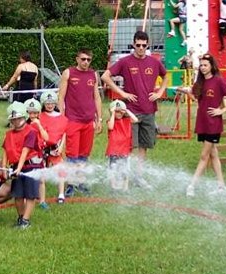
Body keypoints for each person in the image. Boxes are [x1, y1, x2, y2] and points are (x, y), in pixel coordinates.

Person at [101, 31, 167, 188]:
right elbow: (105, 76)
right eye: (138, 45)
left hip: (149, 110)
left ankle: (139, 177)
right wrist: (122, 93)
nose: (141, 48)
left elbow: (165, 76)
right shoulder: (125, 62)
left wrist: (159, 93)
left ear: (147, 45)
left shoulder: (154, 62)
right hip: (131, 111)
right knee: (128, 145)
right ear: (133, 44)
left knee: (144, 146)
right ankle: (123, 177)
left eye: (144, 45)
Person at [184, 54, 226, 197]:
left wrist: (222, 110)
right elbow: (195, 97)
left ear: (211, 66)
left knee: (204, 156)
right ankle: (221, 186)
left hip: (213, 124)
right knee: (213, 154)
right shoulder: (199, 82)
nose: (203, 67)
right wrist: (185, 91)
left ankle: (192, 185)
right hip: (203, 122)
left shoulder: (218, 81)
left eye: (205, 65)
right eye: (201, 65)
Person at [57, 47, 103, 197]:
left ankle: (81, 182)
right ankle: (70, 185)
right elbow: (61, 97)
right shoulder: (68, 73)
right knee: (72, 155)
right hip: (72, 120)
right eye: (83, 59)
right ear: (77, 59)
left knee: (84, 155)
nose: (86, 62)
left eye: (89, 60)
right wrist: (62, 118)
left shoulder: (93, 75)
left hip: (88, 121)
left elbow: (97, 97)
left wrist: (99, 118)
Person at [1, 102, 44, 229]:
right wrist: (4, 168)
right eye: (13, 119)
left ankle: (26, 220)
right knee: (18, 195)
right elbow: (5, 151)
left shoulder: (30, 131)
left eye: (18, 118)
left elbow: (25, 151)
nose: (16, 121)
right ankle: (20, 217)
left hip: (31, 167)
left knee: (30, 195)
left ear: (24, 117)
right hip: (16, 168)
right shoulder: (9, 134)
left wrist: (19, 169)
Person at [38, 91, 68, 204]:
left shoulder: (62, 118)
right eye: (47, 103)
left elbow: (64, 133)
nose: (49, 105)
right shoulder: (40, 117)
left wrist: (61, 147)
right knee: (42, 172)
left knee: (61, 169)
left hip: (56, 148)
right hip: (43, 148)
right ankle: (41, 196)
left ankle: (61, 194)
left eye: (52, 103)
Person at [23, 99, 53, 209]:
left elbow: (46, 138)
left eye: (35, 113)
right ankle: (26, 199)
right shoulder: (23, 126)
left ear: (38, 113)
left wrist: (39, 126)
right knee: (27, 179)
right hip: (27, 156)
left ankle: (42, 201)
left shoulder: (41, 124)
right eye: (30, 113)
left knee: (41, 179)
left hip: (39, 155)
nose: (32, 115)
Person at [106, 100, 137, 191]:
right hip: (114, 150)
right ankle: (113, 186)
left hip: (124, 149)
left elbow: (135, 120)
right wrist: (112, 114)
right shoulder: (110, 120)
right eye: (116, 112)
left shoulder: (127, 120)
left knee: (125, 168)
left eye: (120, 112)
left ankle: (125, 186)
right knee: (113, 167)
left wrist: (127, 111)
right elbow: (110, 127)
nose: (118, 114)